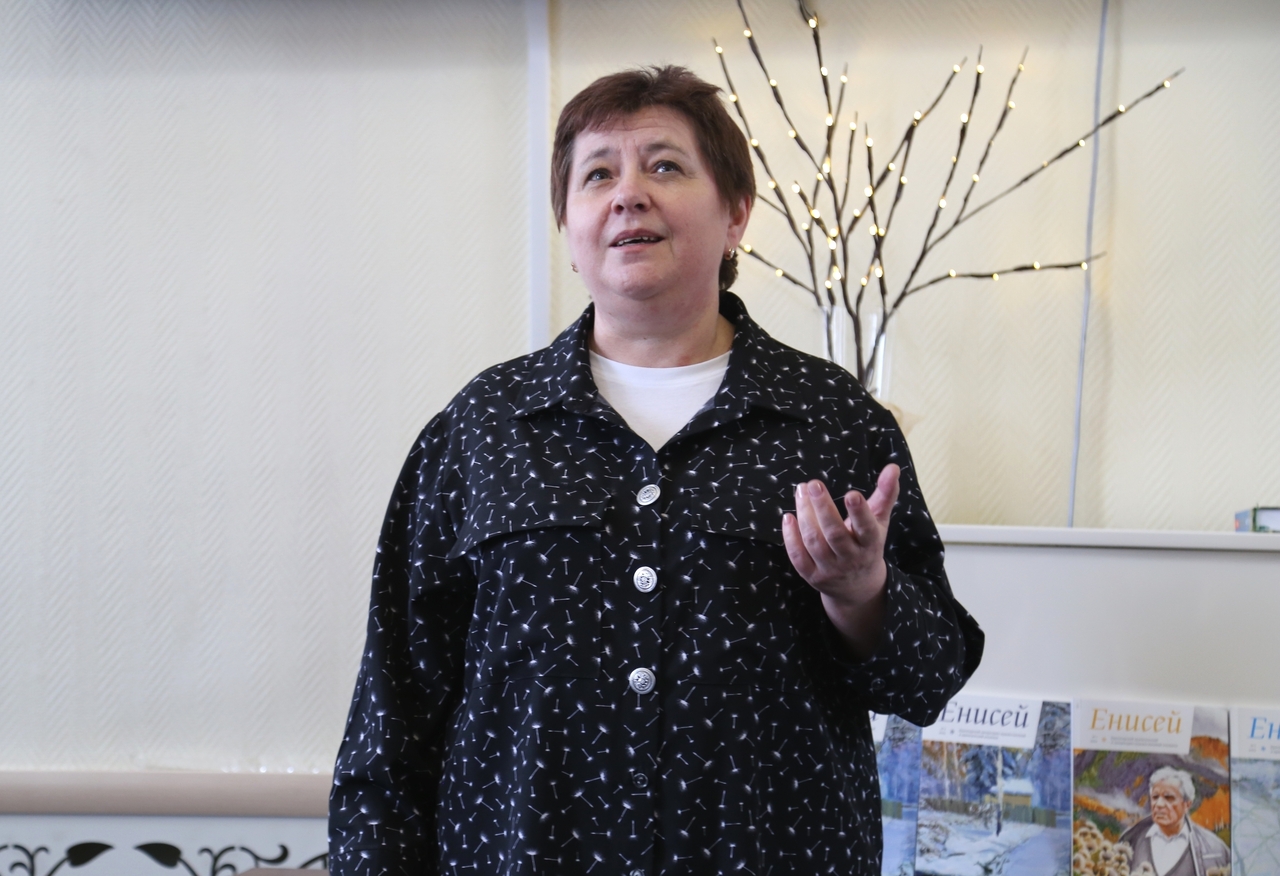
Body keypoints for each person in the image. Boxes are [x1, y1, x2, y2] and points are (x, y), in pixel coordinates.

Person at [329, 65, 982, 876]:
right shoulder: (481, 430)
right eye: (598, 174)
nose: (628, 194)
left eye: (665, 166)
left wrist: (862, 595)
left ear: (736, 213)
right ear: (568, 225)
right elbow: (391, 720)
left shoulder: (833, 421)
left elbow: (930, 679)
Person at [1118, 767, 1230, 876]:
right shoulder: (1131, 840)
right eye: (1155, 797)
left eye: (1168, 798)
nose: (1159, 804)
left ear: (1187, 804)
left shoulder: (1214, 848)